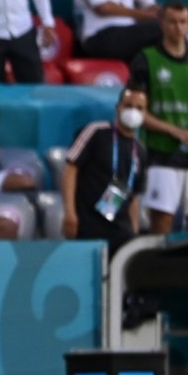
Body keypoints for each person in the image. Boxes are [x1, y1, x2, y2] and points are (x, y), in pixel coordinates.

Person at [129, 1, 188, 233]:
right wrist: (173, 130)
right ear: (161, 23)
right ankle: (158, 268)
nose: (178, 27)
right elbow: (134, 111)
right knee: (162, 221)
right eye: (172, 21)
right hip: (162, 155)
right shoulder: (146, 59)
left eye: (183, 22)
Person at [62, 86, 148, 256]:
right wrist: (70, 213)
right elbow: (70, 168)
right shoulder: (96, 132)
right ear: (118, 108)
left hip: (121, 232)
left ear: (146, 114)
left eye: (139, 108)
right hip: (87, 226)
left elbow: (134, 197)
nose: (133, 112)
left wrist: (134, 231)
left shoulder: (140, 151)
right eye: (128, 106)